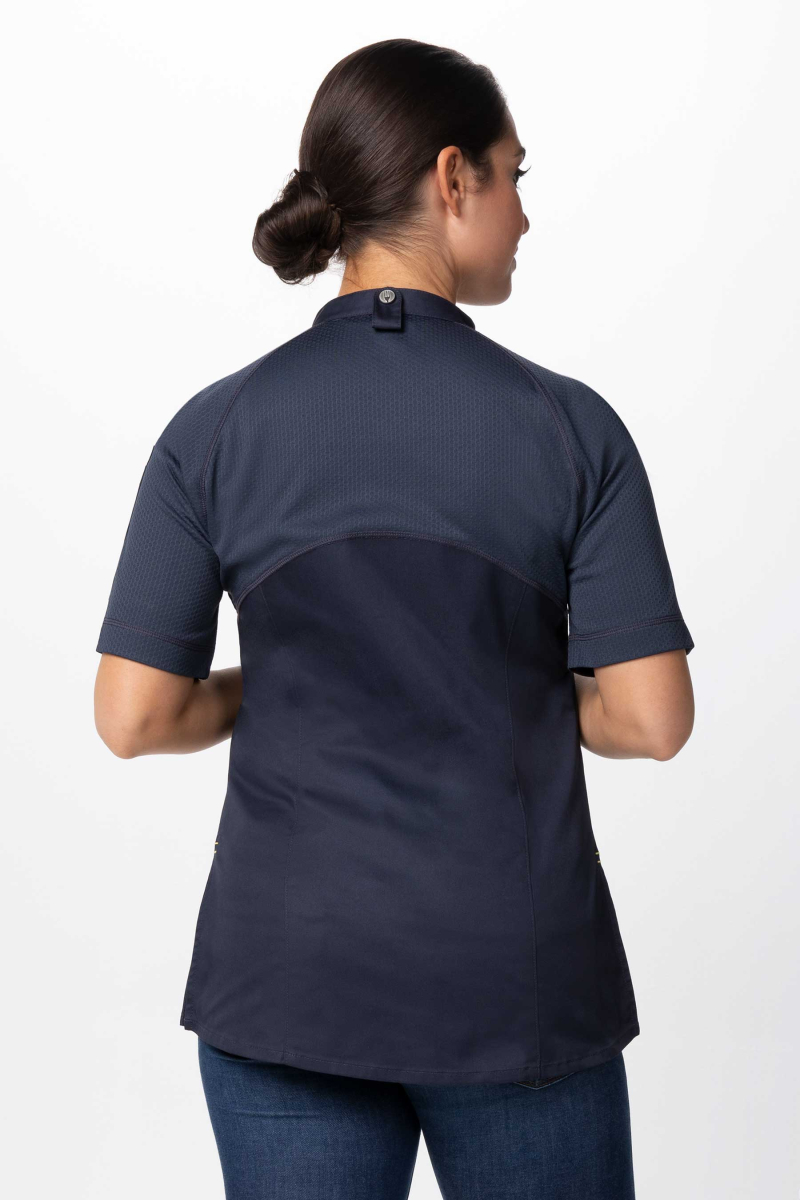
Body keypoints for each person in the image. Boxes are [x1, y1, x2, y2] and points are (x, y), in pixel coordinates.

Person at [94, 37, 694, 1200]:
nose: (524, 215)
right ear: (452, 176)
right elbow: (650, 720)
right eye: (514, 177)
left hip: (285, 976)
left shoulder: (213, 430)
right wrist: (510, 676)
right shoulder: (570, 430)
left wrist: (279, 682)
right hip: (512, 979)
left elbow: (134, 718)